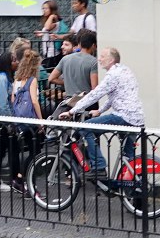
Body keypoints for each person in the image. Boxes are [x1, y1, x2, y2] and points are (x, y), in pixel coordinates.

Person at [62, 47, 145, 179]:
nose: (99, 59)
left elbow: (95, 94)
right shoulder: (124, 70)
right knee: (129, 157)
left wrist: (72, 111)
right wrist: (100, 111)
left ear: (111, 60)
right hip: (137, 118)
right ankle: (135, 188)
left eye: (102, 56)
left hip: (123, 116)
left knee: (84, 127)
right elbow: (114, 97)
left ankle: (99, 166)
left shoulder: (112, 75)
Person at [6, 49, 42, 194]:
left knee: (26, 151)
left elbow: (13, 100)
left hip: (19, 120)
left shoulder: (17, 79)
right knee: (35, 152)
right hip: (30, 121)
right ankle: (26, 181)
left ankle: (21, 179)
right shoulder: (32, 80)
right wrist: (41, 121)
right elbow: (34, 101)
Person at [50, 30, 99, 105]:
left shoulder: (65, 59)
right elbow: (94, 89)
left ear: (79, 44)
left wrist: (67, 82)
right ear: (93, 45)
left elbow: (51, 78)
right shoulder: (94, 62)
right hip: (86, 102)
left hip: (69, 102)